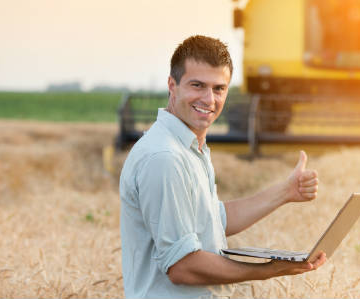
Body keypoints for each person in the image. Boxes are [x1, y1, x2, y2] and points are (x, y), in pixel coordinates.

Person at [119, 35, 327, 298]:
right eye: (197, 85)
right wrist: (269, 270)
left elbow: (212, 220)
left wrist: (286, 192)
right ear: (173, 85)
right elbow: (182, 267)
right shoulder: (165, 158)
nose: (209, 99)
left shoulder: (190, 149)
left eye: (219, 88)